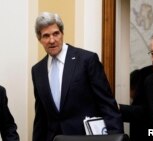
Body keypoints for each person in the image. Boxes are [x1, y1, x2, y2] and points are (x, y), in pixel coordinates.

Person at [31, 12, 123, 141]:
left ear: (62, 33)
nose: (52, 40)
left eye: (56, 34)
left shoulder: (87, 60)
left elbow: (107, 105)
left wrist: (115, 137)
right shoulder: (37, 70)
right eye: (46, 36)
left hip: (84, 138)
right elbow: (41, 117)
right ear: (39, 39)